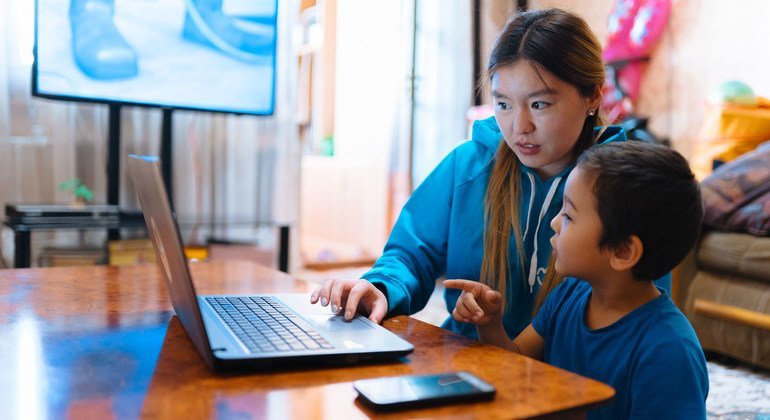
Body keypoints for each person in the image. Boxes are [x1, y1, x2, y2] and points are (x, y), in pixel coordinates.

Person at [310, 8, 668, 339]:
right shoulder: (468, 165)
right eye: (503, 104)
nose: (519, 126)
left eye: (539, 104)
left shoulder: (627, 190)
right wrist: (382, 287)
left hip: (573, 383)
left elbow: (644, 312)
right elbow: (410, 255)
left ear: (592, 95)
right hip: (472, 361)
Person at [446, 141, 708, 418]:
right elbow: (515, 365)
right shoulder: (569, 295)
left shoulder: (668, 351)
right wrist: (490, 325)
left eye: (568, 215)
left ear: (622, 251)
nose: (554, 222)